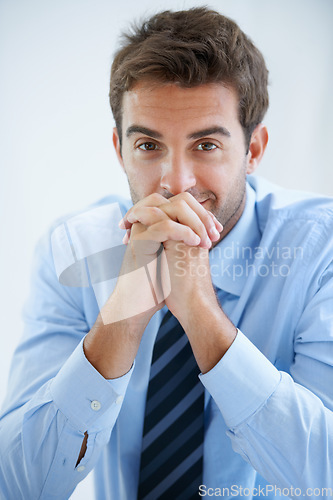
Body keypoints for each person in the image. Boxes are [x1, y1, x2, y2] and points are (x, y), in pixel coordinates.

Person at [1, 6, 332, 500]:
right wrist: (122, 318)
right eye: (149, 146)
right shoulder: (74, 250)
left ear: (254, 150)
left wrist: (202, 317)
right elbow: (19, 484)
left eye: (206, 145)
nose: (176, 182)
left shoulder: (318, 249)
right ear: (120, 149)